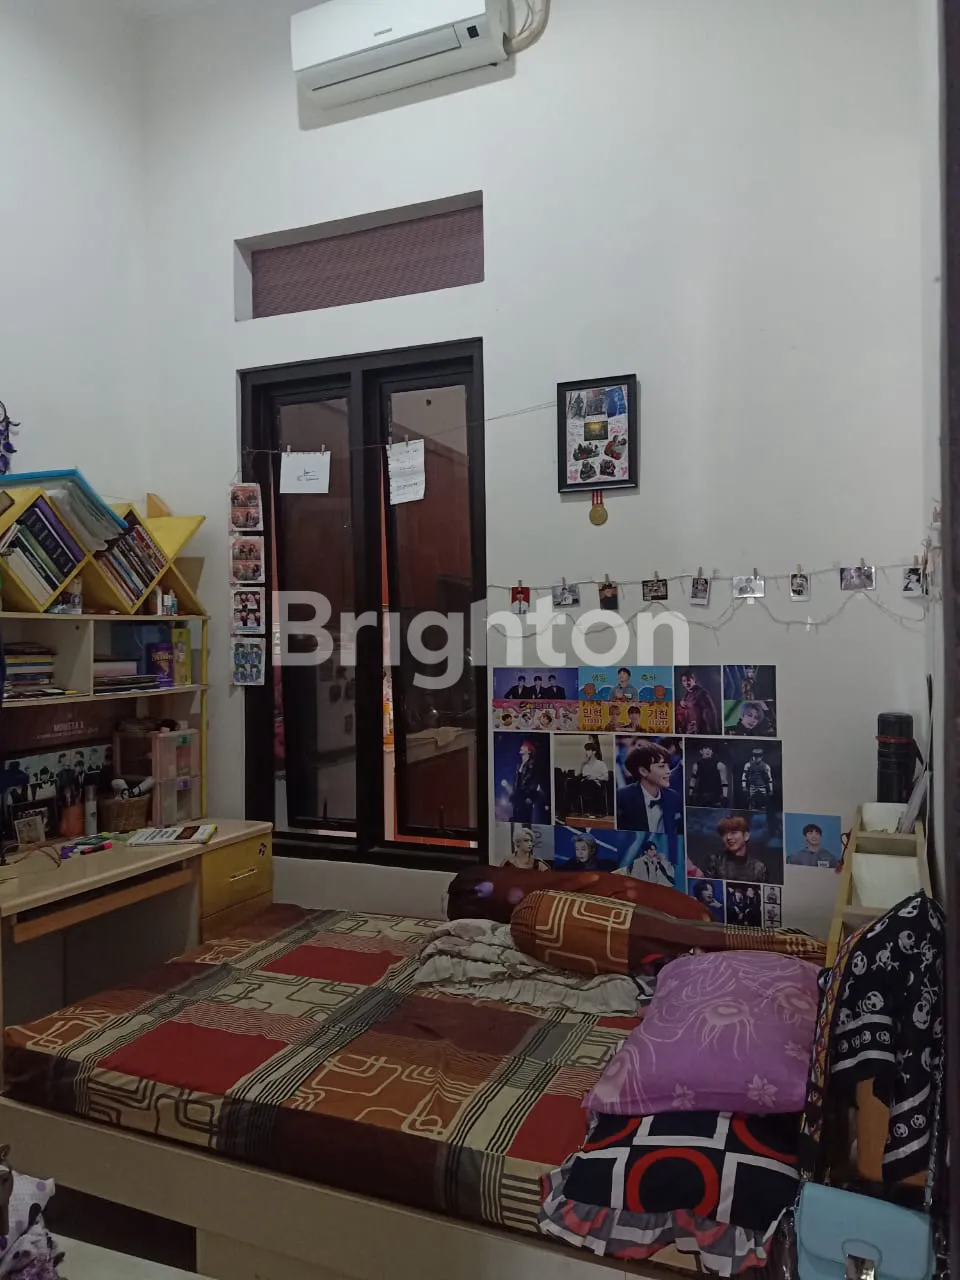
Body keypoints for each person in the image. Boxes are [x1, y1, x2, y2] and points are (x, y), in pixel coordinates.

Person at [617, 742, 681, 861]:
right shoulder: (622, 797)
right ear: (643, 771)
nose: (668, 771)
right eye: (661, 766)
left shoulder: (673, 797)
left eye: (668, 766)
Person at [702, 815, 768, 882]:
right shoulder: (714, 862)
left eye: (733, 832)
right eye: (724, 834)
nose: (728, 837)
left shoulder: (758, 868)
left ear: (746, 836)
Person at [509, 740, 547, 823]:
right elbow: (517, 782)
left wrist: (529, 796)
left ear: (529, 751)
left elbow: (534, 781)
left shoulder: (532, 765)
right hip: (518, 796)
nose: (521, 747)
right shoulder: (519, 765)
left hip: (526, 797)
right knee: (517, 817)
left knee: (524, 819)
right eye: (522, 746)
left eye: (524, 746)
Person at [677, 670, 719, 735]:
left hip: (699, 730)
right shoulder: (687, 694)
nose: (686, 683)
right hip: (689, 729)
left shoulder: (701, 693)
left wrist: (712, 730)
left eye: (688, 680)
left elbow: (710, 712)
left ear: (694, 679)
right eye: (684, 681)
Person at [577, 739, 610, 817]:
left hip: (596, 785)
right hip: (585, 785)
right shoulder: (585, 765)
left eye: (588, 750)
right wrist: (582, 766)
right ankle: (564, 811)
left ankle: (593, 811)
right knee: (571, 782)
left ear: (594, 752)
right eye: (586, 750)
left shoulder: (601, 764)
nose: (586, 752)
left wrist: (594, 777)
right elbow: (582, 776)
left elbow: (606, 777)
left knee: (590, 783)